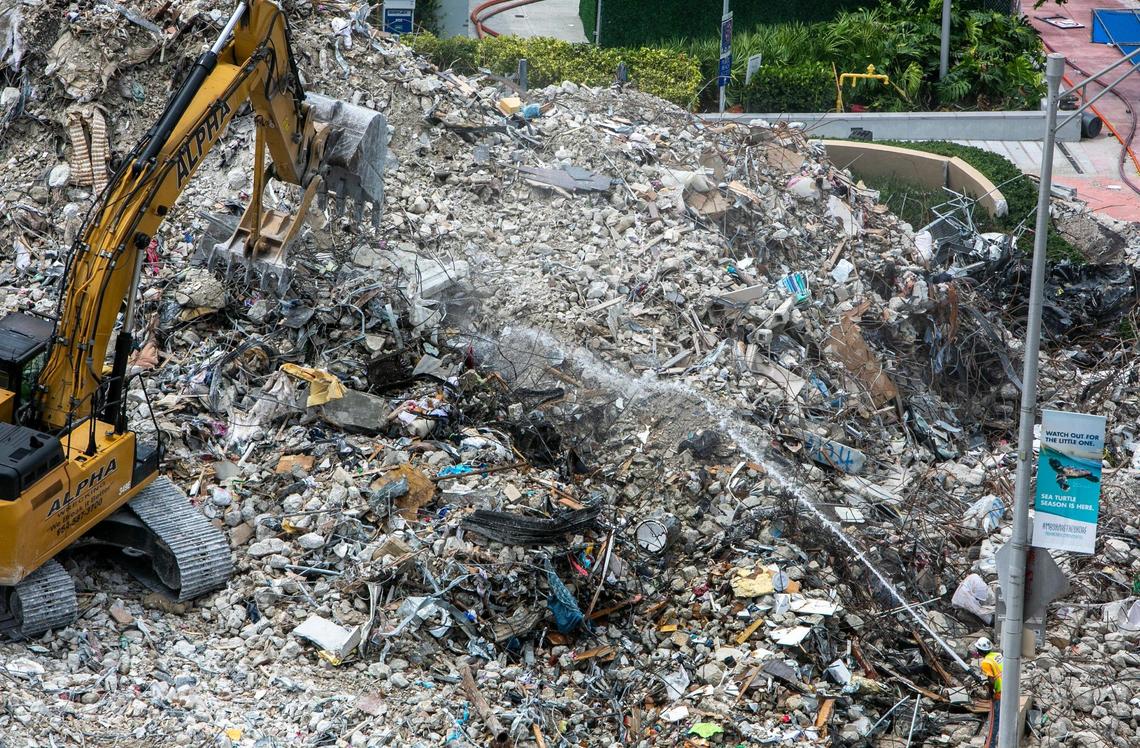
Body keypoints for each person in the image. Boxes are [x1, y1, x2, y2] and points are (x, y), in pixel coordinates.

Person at [974, 637, 1003, 747]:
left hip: (1000, 692)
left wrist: (990, 692)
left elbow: (991, 680)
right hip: (1009, 688)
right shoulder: (997, 655)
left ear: (979, 651)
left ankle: (991, 745)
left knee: (995, 720)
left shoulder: (986, 662)